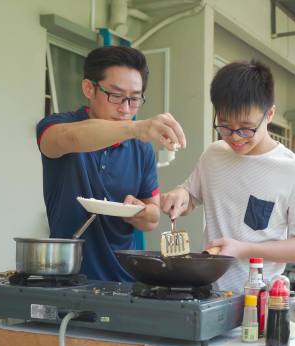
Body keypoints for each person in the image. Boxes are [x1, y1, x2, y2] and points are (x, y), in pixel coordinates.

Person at [160, 60, 295, 291]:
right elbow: (191, 199)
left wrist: (243, 249)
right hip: (208, 294)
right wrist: (179, 195)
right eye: (225, 126)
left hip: (260, 298)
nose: (235, 137)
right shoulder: (213, 155)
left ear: (269, 114)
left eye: (246, 128)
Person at [36, 46, 186, 282]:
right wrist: (135, 128)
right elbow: (70, 139)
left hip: (125, 280)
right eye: (115, 96)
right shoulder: (57, 126)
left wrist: (140, 211)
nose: (126, 109)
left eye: (135, 99)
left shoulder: (142, 148)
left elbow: (153, 217)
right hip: (67, 277)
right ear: (89, 88)